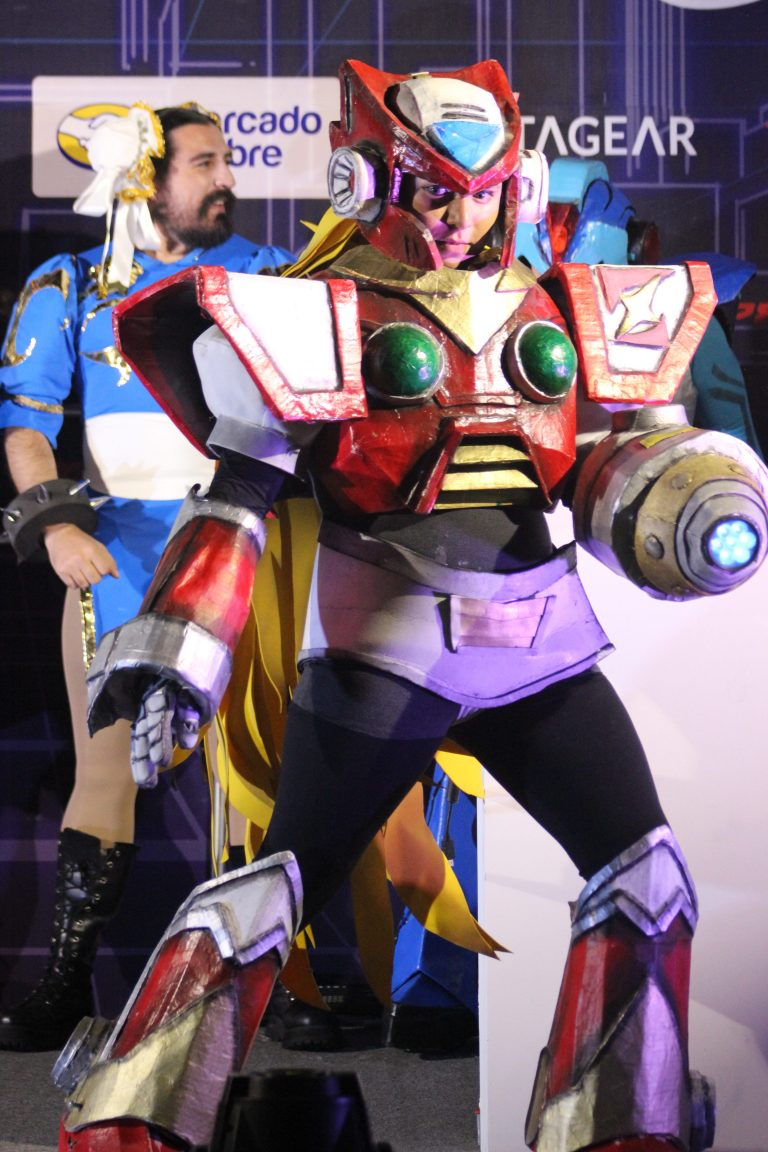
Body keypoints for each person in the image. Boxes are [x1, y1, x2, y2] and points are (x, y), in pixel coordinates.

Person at [58, 60, 768, 1151]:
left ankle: (620, 1123)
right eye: (434, 188)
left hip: (539, 647)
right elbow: (239, 497)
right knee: (272, 895)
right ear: (372, 178)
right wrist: (180, 651)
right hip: (384, 652)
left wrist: (682, 498)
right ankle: (125, 1113)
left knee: (647, 882)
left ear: (513, 186)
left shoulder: (553, 301)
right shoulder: (317, 311)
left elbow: (594, 465)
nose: (456, 216)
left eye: (478, 193)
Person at [0, 102, 291, 1052]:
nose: (227, 178)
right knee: (102, 773)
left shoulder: (266, 276)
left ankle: (275, 984)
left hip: (245, 544)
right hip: (120, 554)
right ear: (145, 178)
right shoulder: (68, 284)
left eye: (226, 160)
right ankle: (65, 985)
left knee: (256, 774)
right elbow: (26, 424)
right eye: (205, 162)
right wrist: (53, 527)